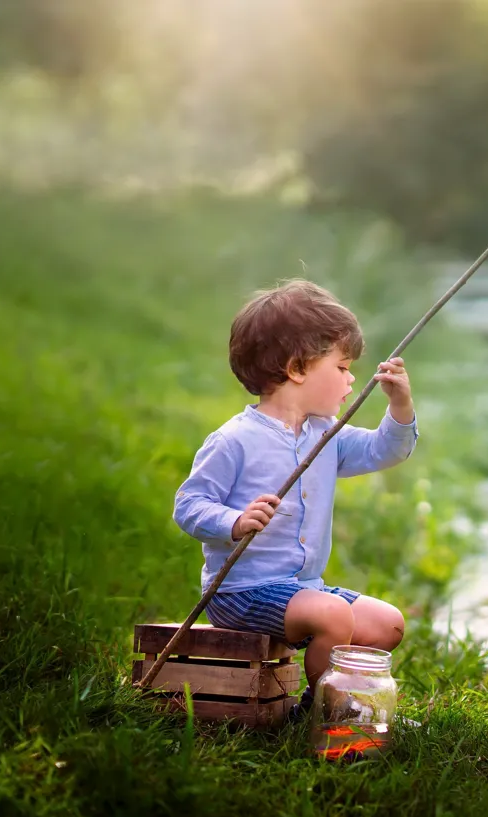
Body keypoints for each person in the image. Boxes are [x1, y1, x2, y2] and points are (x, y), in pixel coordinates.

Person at [173, 278, 418, 718]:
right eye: (342, 367)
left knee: (388, 623)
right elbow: (189, 505)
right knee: (333, 617)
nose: (351, 379)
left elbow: (386, 449)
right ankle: (321, 712)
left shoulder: (325, 435)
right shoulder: (236, 440)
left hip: (304, 590)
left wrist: (399, 406)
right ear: (297, 368)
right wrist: (233, 521)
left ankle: (332, 701)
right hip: (242, 593)